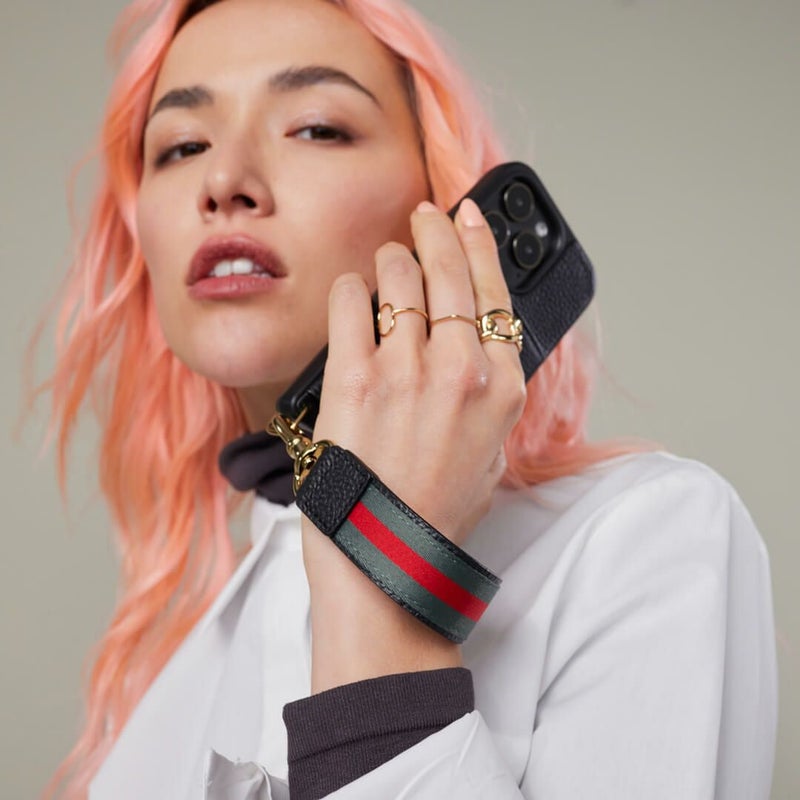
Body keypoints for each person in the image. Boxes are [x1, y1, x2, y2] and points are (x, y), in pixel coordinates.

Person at [41, 0, 777, 797]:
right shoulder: (169, 694)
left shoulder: (646, 537)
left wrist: (382, 597)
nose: (223, 182)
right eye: (182, 146)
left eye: (317, 128)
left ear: (442, 205)